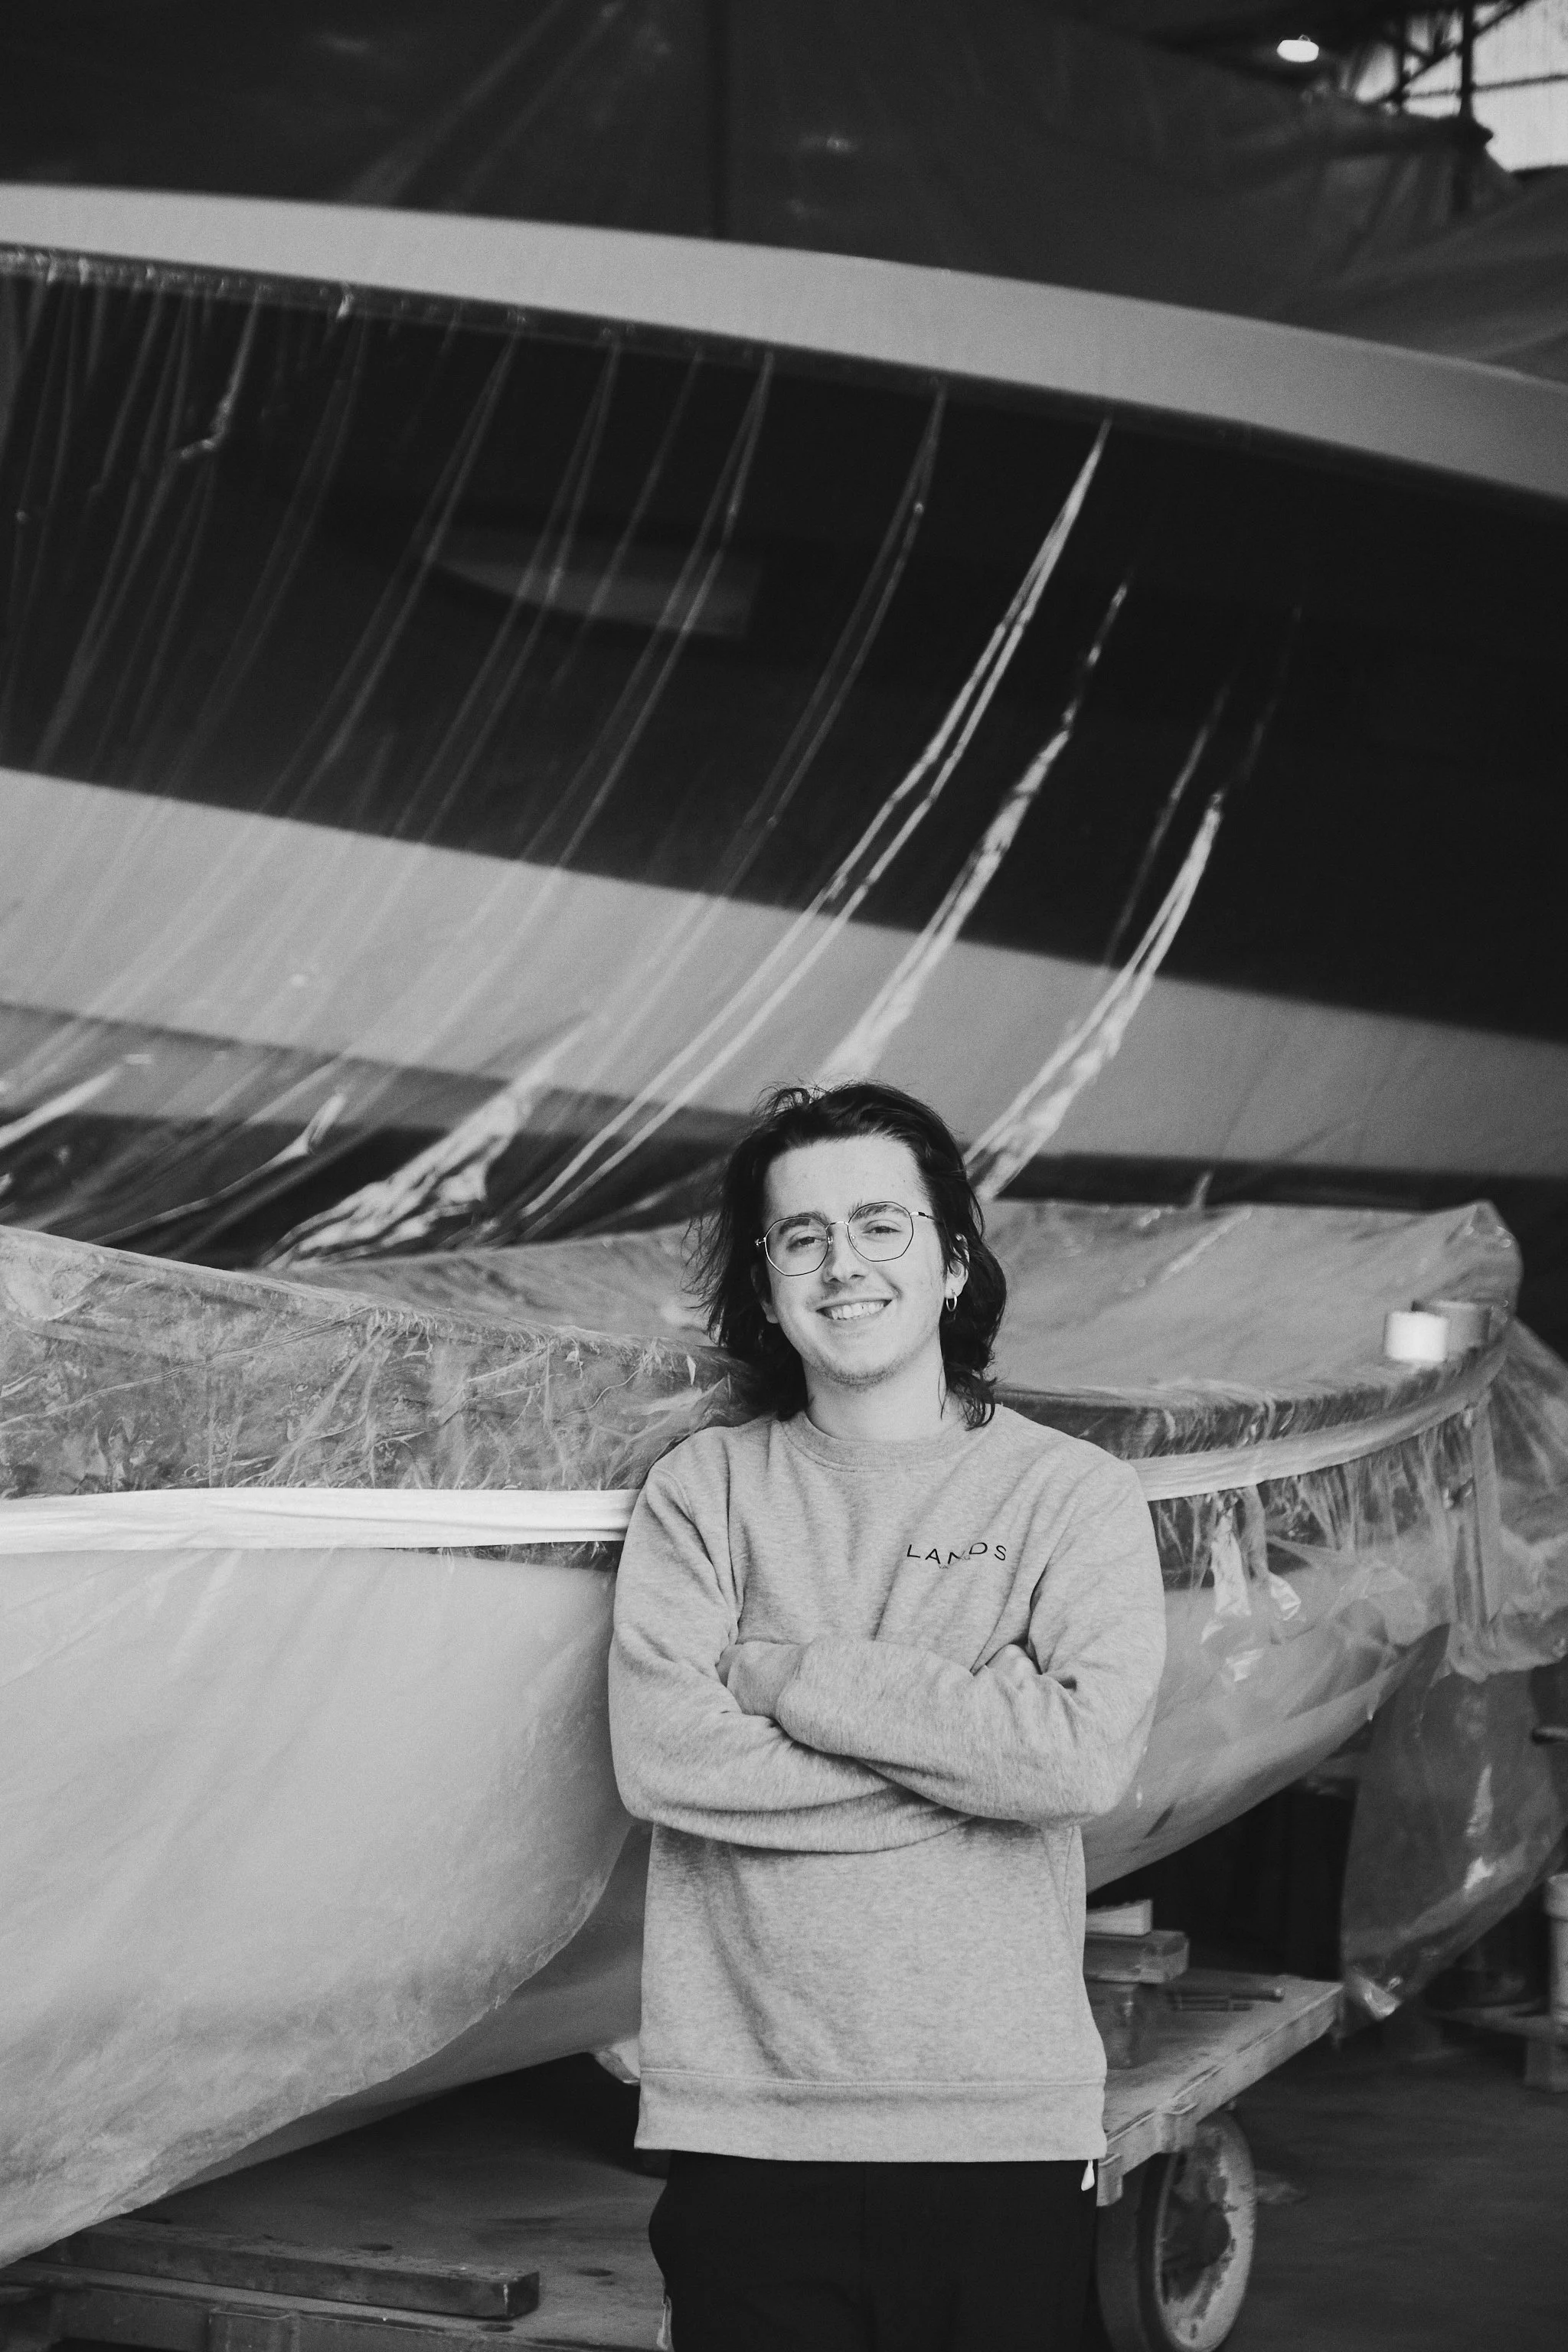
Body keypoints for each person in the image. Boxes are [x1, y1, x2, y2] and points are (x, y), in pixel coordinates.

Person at [607, 1080, 1166, 2352]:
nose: (839, 1264)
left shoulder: (1070, 1495)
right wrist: (962, 1768)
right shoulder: (704, 1493)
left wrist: (792, 1676)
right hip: (748, 2123)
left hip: (1001, 2126)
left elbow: (1074, 1757)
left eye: (879, 1226)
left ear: (953, 1260)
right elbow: (663, 1758)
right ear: (765, 1281)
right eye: (799, 1237)